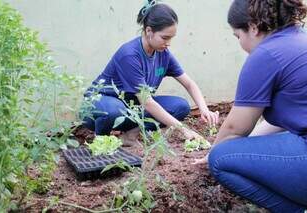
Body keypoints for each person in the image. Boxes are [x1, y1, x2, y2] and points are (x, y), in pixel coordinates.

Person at [195, 0, 307, 212]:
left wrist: (212, 152)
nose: (239, 44)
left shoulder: (266, 54)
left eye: (238, 36)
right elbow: (277, 124)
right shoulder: (306, 38)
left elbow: (235, 128)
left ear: (253, 27)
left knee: (221, 159)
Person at [81, 0, 219, 143]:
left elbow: (189, 84)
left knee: (180, 107)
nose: (168, 43)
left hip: (130, 108)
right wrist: (183, 130)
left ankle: (129, 135)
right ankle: (102, 142)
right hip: (99, 106)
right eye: (165, 38)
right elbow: (147, 102)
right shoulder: (130, 55)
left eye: (171, 38)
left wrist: (204, 109)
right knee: (114, 110)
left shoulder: (163, 53)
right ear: (148, 31)